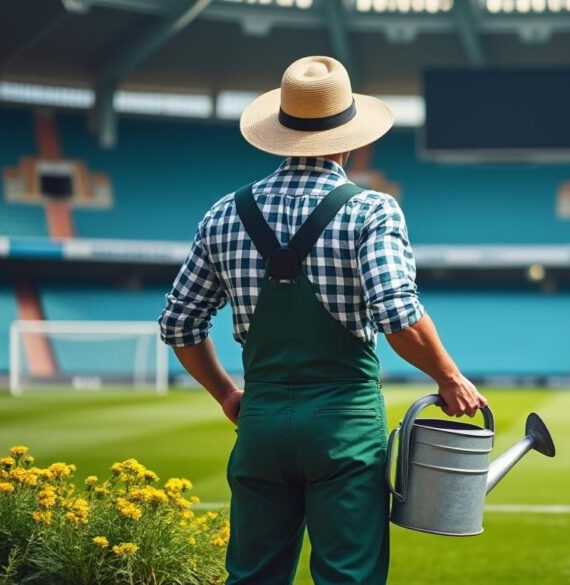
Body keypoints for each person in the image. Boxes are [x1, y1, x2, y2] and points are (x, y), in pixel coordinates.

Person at [158, 55, 487, 585]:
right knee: (347, 575)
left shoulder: (222, 214)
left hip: (261, 422)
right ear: (349, 138)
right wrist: (449, 377)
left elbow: (179, 324)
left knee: (252, 575)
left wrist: (225, 394)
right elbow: (398, 315)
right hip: (344, 426)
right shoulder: (372, 211)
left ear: (281, 131)